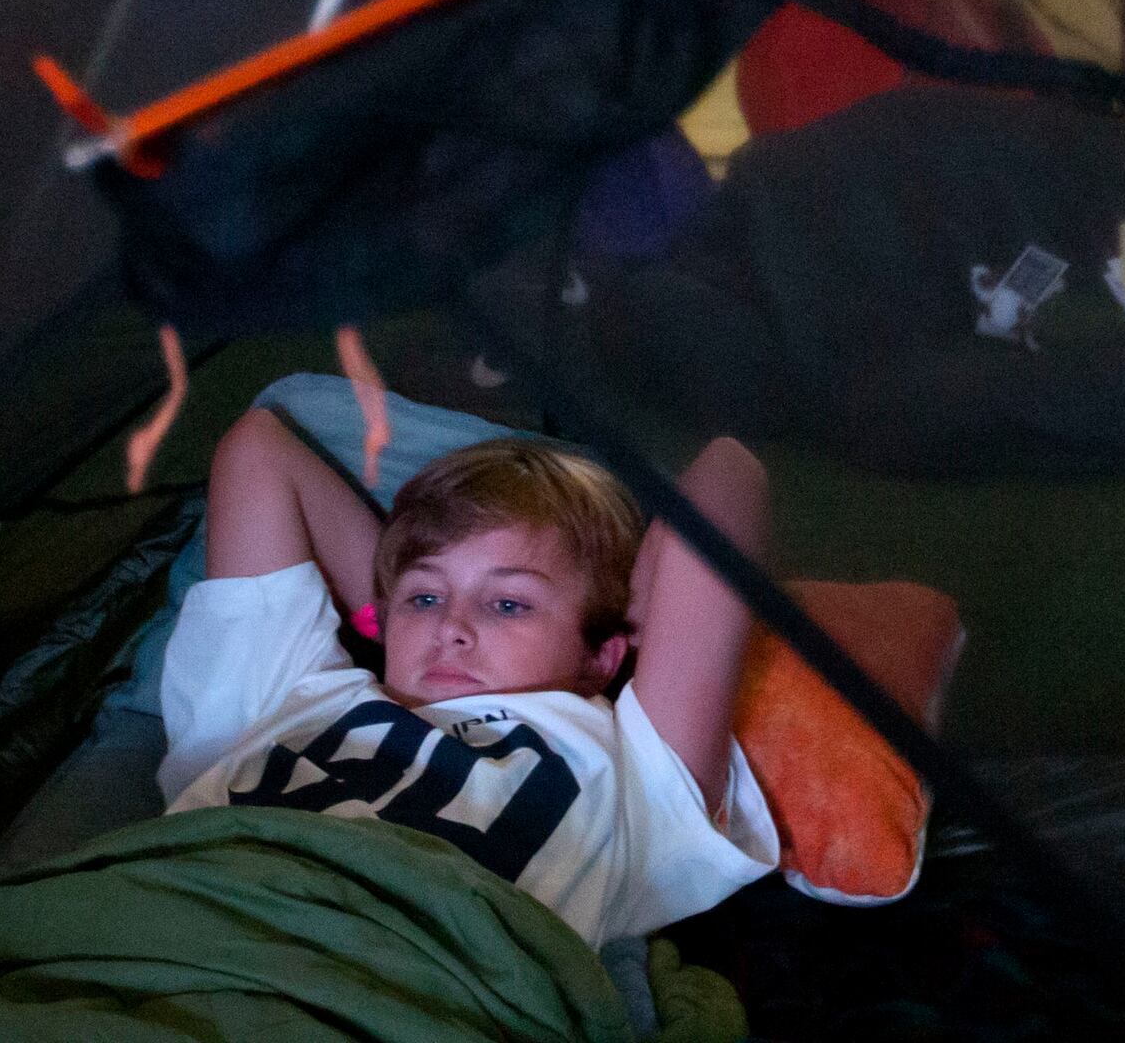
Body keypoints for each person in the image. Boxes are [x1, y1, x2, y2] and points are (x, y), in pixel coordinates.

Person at [157, 407, 781, 949]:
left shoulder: (632, 768)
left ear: (602, 656)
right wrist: (391, 605)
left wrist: (640, 604)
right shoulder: (292, 693)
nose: (451, 627)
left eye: (508, 604)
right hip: (168, 922)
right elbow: (259, 446)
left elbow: (732, 473)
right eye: (427, 600)